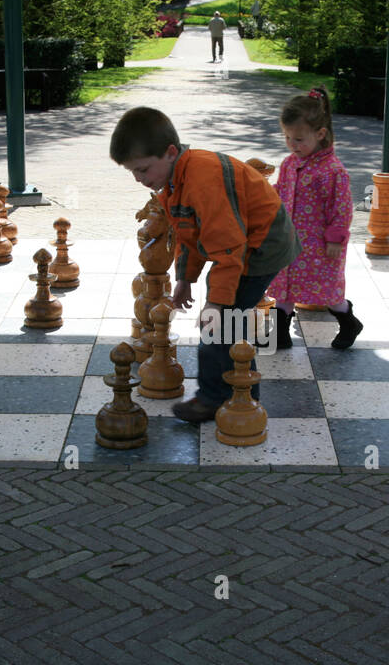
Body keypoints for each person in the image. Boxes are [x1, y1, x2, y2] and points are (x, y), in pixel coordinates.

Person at [110, 106, 301, 424]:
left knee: (220, 324)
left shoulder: (202, 180)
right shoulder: (173, 181)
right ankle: (241, 395)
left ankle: (217, 398)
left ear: (170, 153)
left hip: (265, 244)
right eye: (133, 172)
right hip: (247, 242)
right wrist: (185, 278)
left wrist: (215, 303)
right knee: (228, 322)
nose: (139, 179)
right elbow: (189, 233)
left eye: (143, 170)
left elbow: (229, 249)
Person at [266, 86, 361, 351]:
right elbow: (280, 191)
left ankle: (349, 321)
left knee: (327, 292)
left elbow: (342, 209)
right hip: (289, 242)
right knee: (284, 287)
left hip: (320, 247)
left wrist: (335, 239)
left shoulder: (332, 171)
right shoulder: (289, 163)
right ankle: (280, 334)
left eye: (298, 139)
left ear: (320, 135)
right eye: (287, 138)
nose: (291, 145)